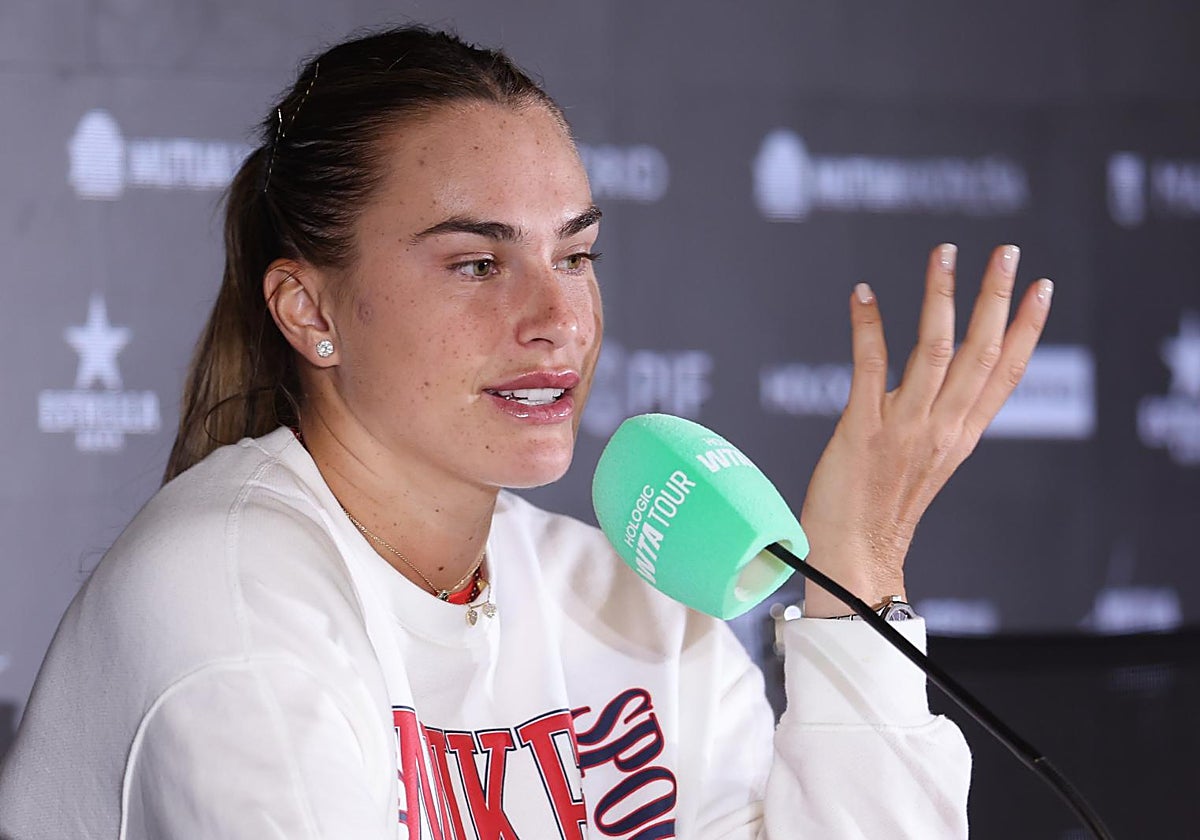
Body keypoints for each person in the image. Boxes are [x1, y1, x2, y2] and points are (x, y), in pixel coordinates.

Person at [0, 25, 1052, 839]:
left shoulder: (624, 602)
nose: (558, 321)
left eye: (578, 256)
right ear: (310, 311)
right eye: (475, 263)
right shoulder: (227, 599)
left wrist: (853, 579)